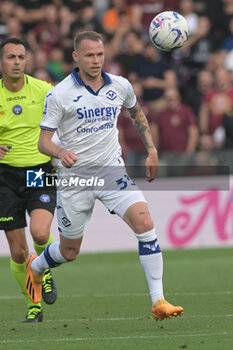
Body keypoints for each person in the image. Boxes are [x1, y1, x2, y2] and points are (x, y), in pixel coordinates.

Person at [25, 31, 183, 321]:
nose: (96, 60)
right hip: (75, 180)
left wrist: (152, 149)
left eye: (99, 54)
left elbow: (137, 114)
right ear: (76, 57)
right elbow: (43, 142)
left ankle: (158, 300)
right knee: (70, 251)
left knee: (145, 222)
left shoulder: (120, 85)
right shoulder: (59, 94)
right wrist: (60, 153)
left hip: (112, 171)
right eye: (89, 55)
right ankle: (36, 267)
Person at [0, 38, 57, 323]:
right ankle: (33, 306)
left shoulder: (44, 90)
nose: (17, 62)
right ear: (2, 62)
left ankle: (44, 269)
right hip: (5, 177)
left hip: (38, 170)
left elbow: (69, 113)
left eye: (21, 57)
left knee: (40, 235)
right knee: (19, 252)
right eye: (11, 57)